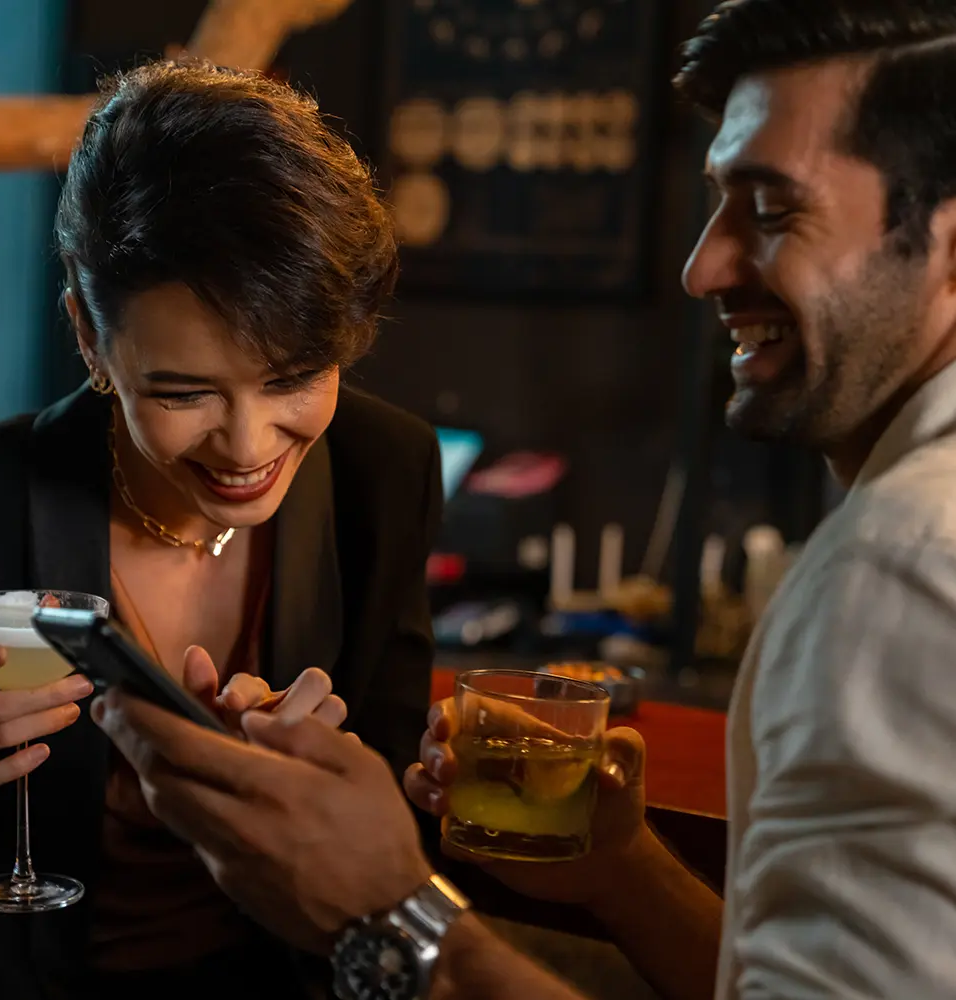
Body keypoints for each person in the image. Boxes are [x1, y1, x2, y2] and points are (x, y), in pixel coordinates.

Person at [84, 3, 956, 999]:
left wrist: (388, 913)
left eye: (769, 208)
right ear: (90, 339)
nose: (700, 265)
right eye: (717, 202)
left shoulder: (903, 561)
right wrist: (622, 874)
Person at [0, 60, 442, 999]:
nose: (250, 446)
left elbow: (399, 850)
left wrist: (335, 791)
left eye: (295, 377)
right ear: (91, 341)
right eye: (183, 393)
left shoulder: (385, 475)